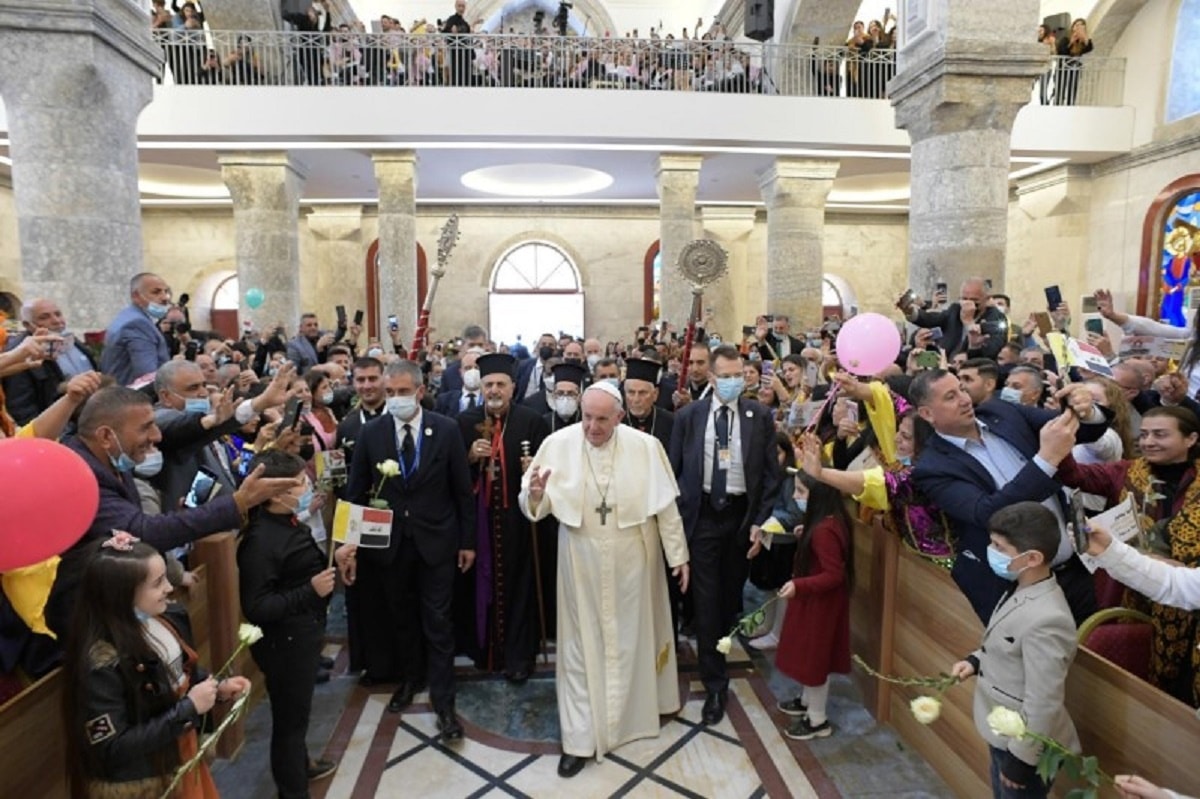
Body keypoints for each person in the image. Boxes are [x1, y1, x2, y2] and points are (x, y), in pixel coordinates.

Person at [519, 382, 690, 779]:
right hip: (580, 553)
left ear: (619, 416)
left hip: (634, 553)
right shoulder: (559, 443)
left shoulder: (646, 447)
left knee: (632, 638)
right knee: (580, 647)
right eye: (586, 418)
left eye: (601, 419)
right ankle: (578, 739)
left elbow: (665, 507)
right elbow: (534, 505)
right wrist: (536, 495)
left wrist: (678, 556)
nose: (592, 428)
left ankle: (631, 720)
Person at [343, 360, 476, 738]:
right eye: (390, 393)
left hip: (438, 541)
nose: (396, 399)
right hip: (389, 545)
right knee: (401, 617)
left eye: (402, 392)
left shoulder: (446, 430)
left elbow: (462, 492)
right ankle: (410, 678)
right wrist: (348, 544)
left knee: (438, 620)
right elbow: (356, 494)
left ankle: (444, 699)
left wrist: (468, 542)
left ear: (419, 391)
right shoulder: (373, 435)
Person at [910, 368, 1104, 626]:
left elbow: (1079, 429)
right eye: (950, 397)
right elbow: (989, 513)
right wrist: (1047, 460)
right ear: (927, 414)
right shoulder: (932, 467)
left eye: (963, 389)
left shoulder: (1002, 412)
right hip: (1019, 589)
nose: (965, 400)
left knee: (1092, 656)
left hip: (1075, 568)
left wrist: (1084, 409)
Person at [62, 534, 250, 799]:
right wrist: (188, 708)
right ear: (123, 593)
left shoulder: (166, 619)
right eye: (158, 583)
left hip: (181, 753)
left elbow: (183, 672)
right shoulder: (101, 663)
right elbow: (111, 746)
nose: (170, 589)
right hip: (147, 777)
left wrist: (218, 688)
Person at [1055, 406, 1200, 704]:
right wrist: (1064, 432)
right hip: (1136, 590)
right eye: (1144, 434)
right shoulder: (1125, 472)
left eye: (1160, 434)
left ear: (1191, 439)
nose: (1148, 442)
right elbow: (1072, 473)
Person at [668, 344, 781, 725]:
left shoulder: (758, 416)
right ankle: (715, 684)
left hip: (740, 516)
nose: (734, 381)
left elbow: (769, 475)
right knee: (707, 599)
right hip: (701, 517)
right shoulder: (689, 416)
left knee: (730, 595)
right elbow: (674, 470)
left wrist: (760, 521)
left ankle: (720, 643)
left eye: (739, 374)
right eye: (727, 376)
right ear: (712, 378)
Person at [949, 503, 1080, 799]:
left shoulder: (1049, 619)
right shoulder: (1021, 586)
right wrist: (975, 660)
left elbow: (1044, 700)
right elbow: (1007, 643)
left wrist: (1021, 761)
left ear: (1032, 557)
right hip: (1003, 734)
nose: (990, 551)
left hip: (1025, 748)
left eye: (999, 547)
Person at [238, 450, 338, 795]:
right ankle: (293, 790)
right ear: (277, 493)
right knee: (289, 725)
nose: (308, 486)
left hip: (303, 633)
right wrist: (309, 591)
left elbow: (299, 566)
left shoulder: (287, 521)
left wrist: (333, 559)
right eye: (300, 484)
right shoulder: (260, 540)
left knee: (298, 716)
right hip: (285, 644)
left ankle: (303, 764)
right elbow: (257, 606)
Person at [457, 352, 551, 681]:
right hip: (480, 523)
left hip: (518, 524)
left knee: (519, 589)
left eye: (500, 384)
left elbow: (548, 475)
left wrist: (533, 472)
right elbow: (452, 478)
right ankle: (484, 652)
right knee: (480, 586)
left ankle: (518, 658)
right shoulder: (465, 423)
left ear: (513, 387)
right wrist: (469, 458)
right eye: (488, 385)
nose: (494, 390)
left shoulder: (531, 421)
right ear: (480, 388)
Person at [772, 474, 853, 740]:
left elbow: (834, 574)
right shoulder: (825, 524)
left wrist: (800, 586)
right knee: (810, 656)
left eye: (801, 492)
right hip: (817, 603)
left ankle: (817, 719)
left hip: (819, 606)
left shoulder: (824, 531)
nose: (796, 497)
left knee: (815, 660)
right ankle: (807, 701)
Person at [2, 298, 98, 425]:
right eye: (44, 317)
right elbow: (22, 409)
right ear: (28, 324)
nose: (56, 321)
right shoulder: (23, 353)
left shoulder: (72, 341)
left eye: (58, 314)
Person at [100, 273, 173, 386]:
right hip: (132, 398)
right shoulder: (138, 324)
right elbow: (148, 377)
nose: (165, 298)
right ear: (136, 296)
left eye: (166, 291)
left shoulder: (128, 316)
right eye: (156, 292)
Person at [623, 357, 674, 453]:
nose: (636, 399)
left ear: (655, 394)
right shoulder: (616, 423)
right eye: (631, 392)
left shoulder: (671, 423)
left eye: (642, 393)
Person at [545, 361, 585, 432]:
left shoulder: (585, 421)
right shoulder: (543, 422)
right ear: (553, 395)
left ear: (580, 397)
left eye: (571, 393)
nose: (565, 398)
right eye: (560, 393)